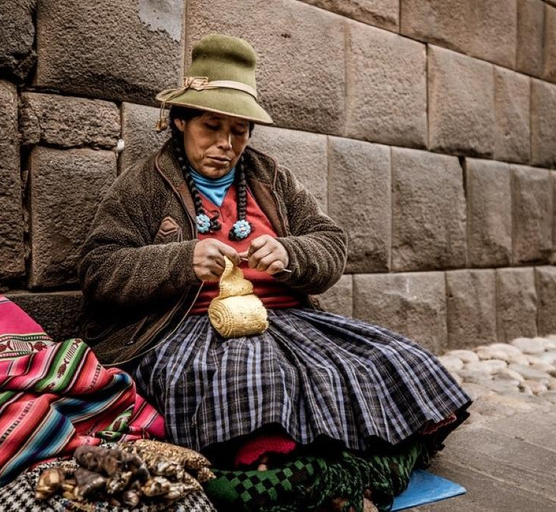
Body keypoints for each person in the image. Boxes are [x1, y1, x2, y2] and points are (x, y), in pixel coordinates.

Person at [79, 34, 470, 511]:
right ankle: (312, 467)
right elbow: (98, 271)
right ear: (180, 121)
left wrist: (290, 253)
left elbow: (331, 244)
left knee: (397, 359)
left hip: (289, 319)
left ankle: (322, 467)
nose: (226, 144)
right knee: (252, 373)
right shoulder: (143, 185)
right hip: (188, 328)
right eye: (211, 126)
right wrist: (182, 261)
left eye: (239, 131)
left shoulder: (270, 178)